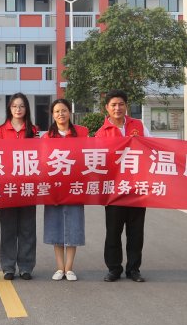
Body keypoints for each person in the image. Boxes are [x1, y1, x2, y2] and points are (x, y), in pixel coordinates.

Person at [95, 90, 151, 283]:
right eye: (113, 105)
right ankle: (114, 268)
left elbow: (153, 147)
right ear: (107, 108)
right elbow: (97, 161)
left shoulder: (139, 126)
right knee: (113, 232)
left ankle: (134, 269)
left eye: (121, 104)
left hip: (137, 188)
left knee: (136, 233)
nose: (117, 108)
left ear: (126, 106)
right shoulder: (101, 133)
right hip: (114, 190)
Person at [42, 99, 89, 282]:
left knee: (73, 225)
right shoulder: (47, 137)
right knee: (55, 225)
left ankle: (69, 268)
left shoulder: (82, 132)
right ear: (52, 115)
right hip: (53, 188)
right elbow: (43, 162)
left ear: (70, 112)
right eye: (57, 111)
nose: (60, 114)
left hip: (75, 187)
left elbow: (89, 155)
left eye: (64, 110)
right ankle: (59, 267)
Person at [0, 93, 38, 280]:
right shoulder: (0, 131)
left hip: (28, 185)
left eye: (21, 106)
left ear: (26, 108)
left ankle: (26, 266)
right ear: (9, 108)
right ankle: (8, 267)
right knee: (8, 228)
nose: (18, 109)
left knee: (28, 228)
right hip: (7, 186)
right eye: (14, 106)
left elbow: (39, 155)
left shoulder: (34, 130)